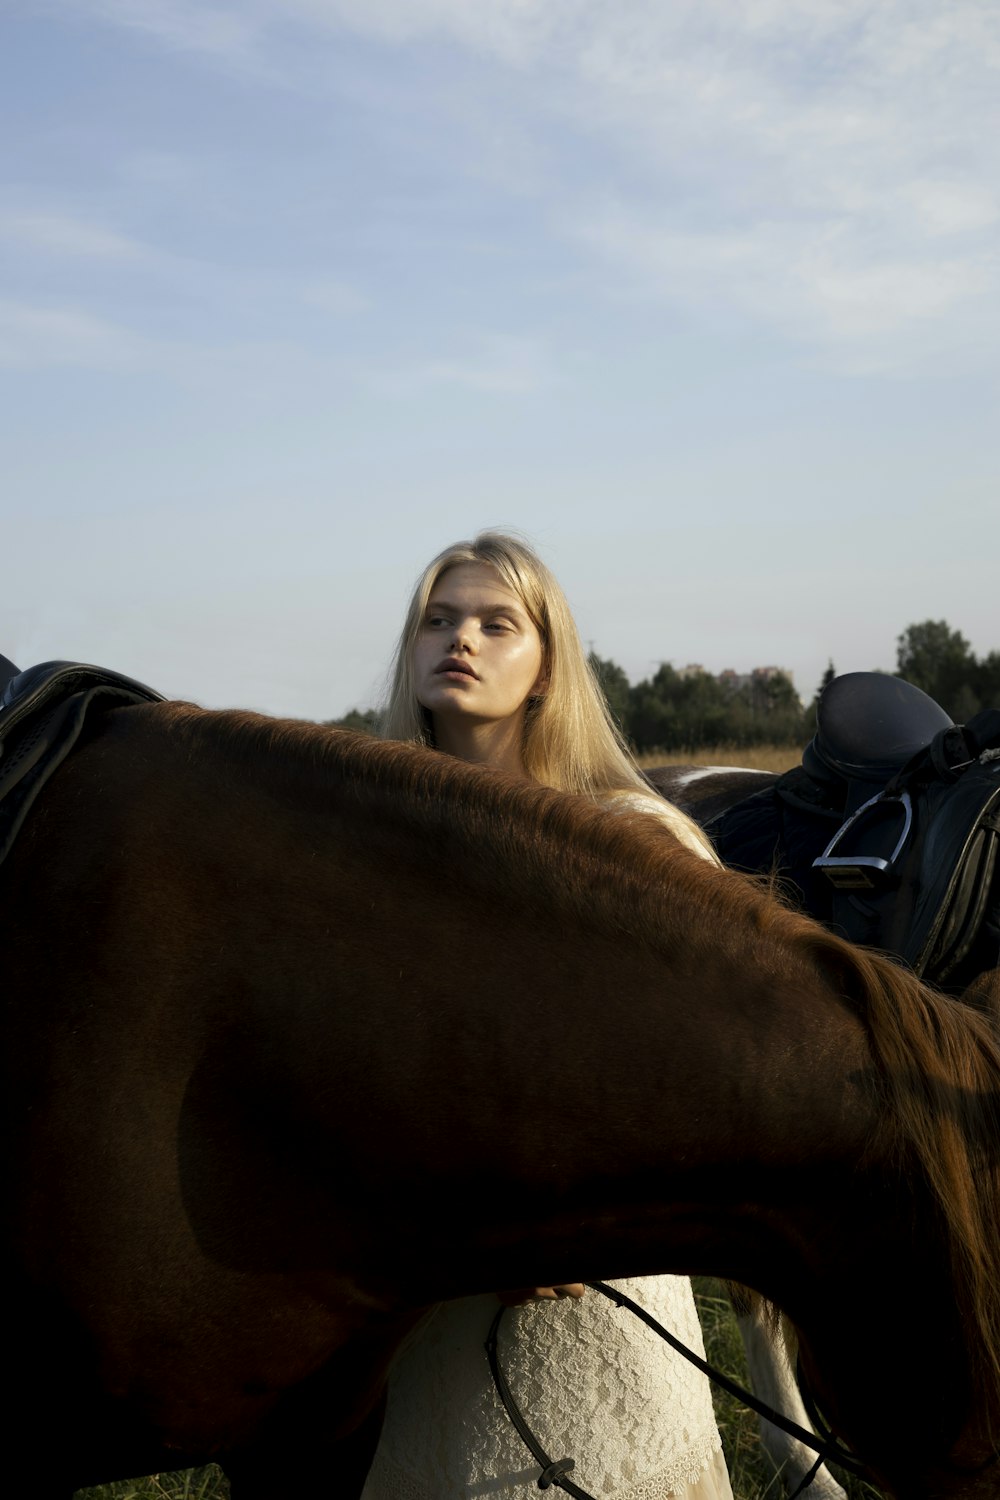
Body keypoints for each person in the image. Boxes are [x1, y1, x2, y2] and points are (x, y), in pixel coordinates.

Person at [362, 531, 733, 1500]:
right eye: (437, 620)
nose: (462, 640)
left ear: (545, 665)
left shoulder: (636, 840)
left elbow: (712, 1076)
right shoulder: (371, 855)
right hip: (433, 1292)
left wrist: (583, 1216)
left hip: (602, 1282)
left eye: (496, 622)